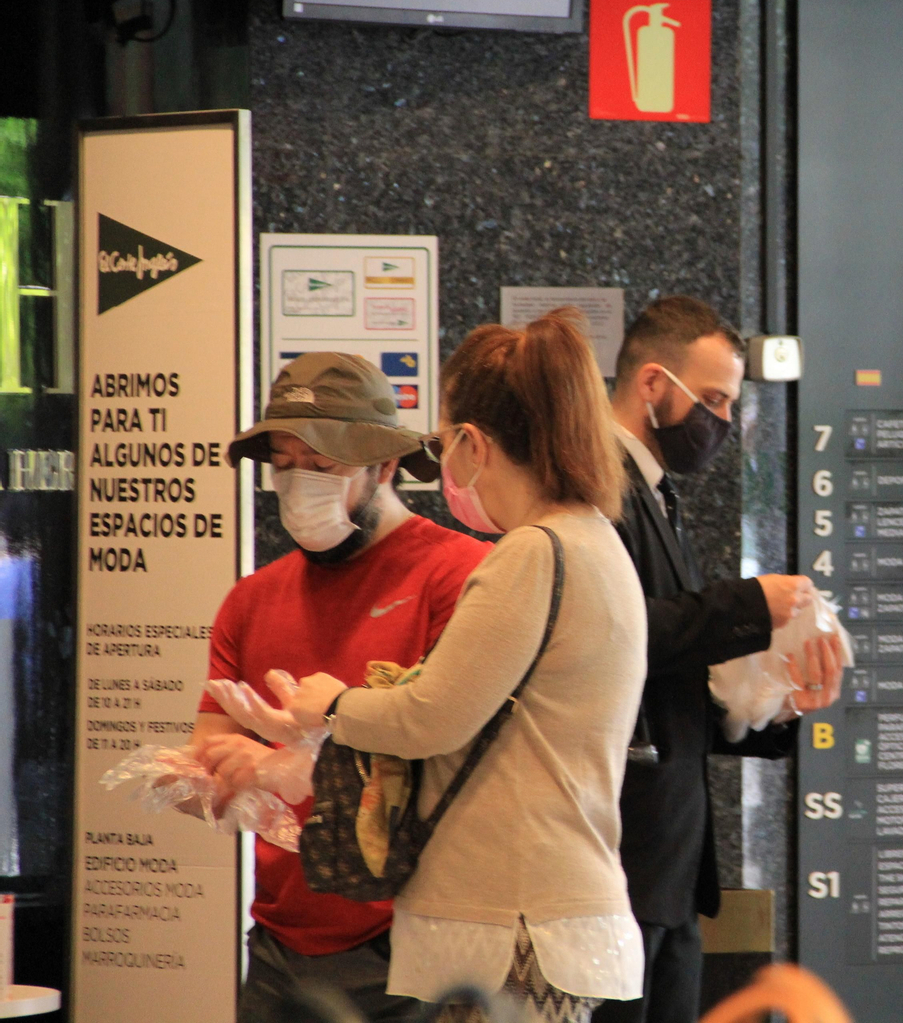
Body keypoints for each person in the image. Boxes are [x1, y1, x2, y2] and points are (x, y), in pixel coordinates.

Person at [285, 310, 648, 1023]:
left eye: (446, 441)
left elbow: (431, 717)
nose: (443, 464)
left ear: (475, 444)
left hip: (511, 926)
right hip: (550, 914)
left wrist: (331, 704)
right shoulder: (594, 540)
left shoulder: (533, 552)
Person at [189, 353, 491, 1022]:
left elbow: (460, 765)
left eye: (322, 464)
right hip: (277, 944)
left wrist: (299, 764)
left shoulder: (463, 578)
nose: (300, 482)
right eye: (286, 461)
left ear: (384, 465)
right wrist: (204, 778)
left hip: (412, 940)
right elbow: (207, 757)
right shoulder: (251, 601)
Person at [599, 296, 843, 1023]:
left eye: (731, 403)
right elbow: (610, 640)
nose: (723, 423)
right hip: (622, 856)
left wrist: (772, 704)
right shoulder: (599, 488)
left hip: (668, 869)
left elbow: (674, 675)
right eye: (712, 400)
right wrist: (747, 608)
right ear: (652, 385)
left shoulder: (657, 494)